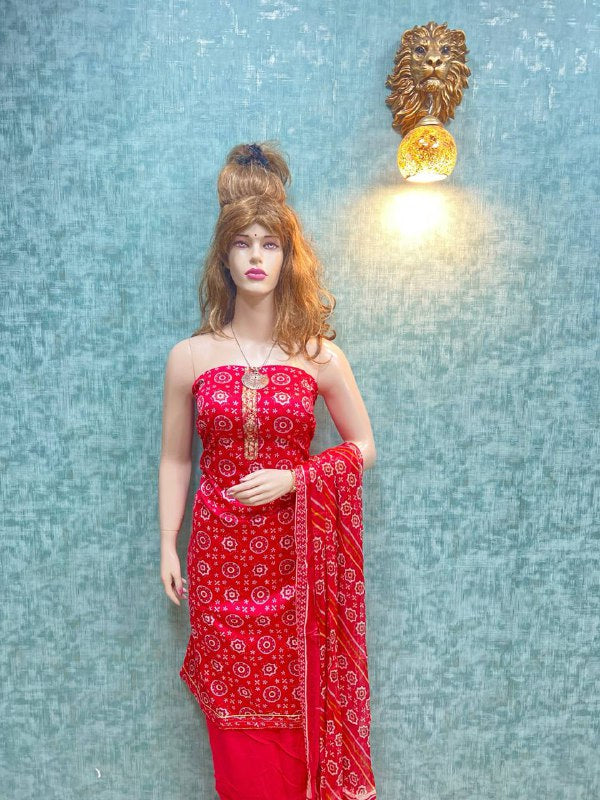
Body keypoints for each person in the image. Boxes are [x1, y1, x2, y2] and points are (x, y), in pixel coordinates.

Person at [158, 141, 377, 800]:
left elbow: (364, 445)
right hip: (219, 564)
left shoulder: (318, 355)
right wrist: (166, 543)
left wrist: (297, 478)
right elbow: (175, 457)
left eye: (270, 244)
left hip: (295, 565)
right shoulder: (190, 356)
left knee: (298, 705)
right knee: (232, 717)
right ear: (223, 258)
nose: (256, 256)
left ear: (288, 257)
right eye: (242, 244)